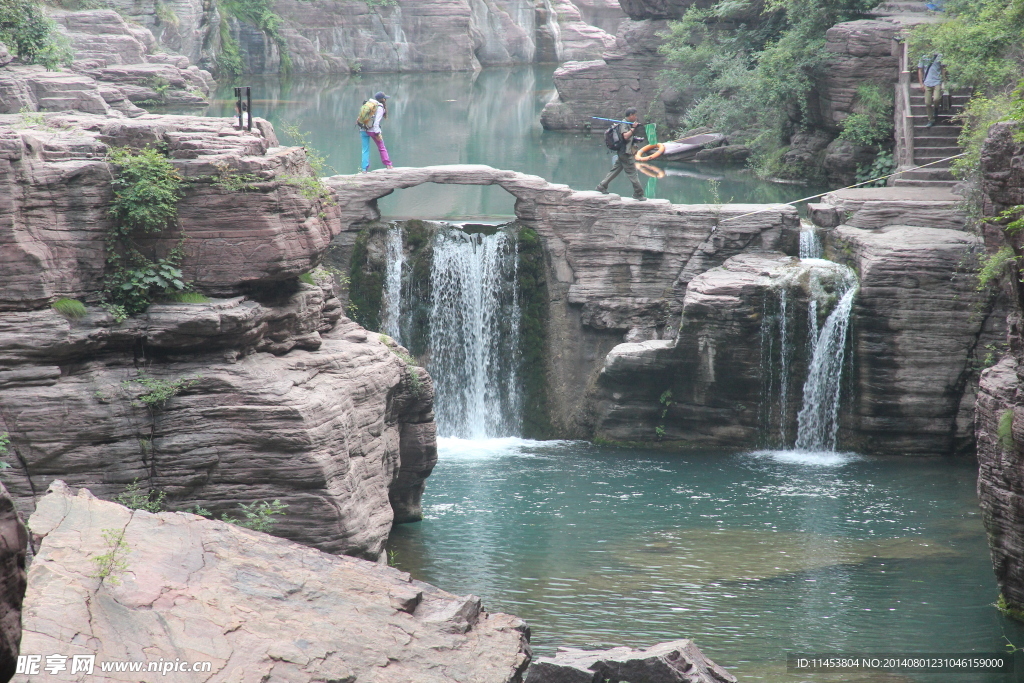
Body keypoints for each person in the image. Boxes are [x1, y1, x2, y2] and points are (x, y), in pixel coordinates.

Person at [596, 107, 646, 200]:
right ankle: (638, 193)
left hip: (623, 152)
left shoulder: (627, 123)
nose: (636, 117)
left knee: (615, 170)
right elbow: (625, 136)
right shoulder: (624, 124)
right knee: (632, 173)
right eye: (635, 115)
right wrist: (633, 128)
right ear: (631, 115)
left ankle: (602, 186)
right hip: (625, 153)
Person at [359, 91, 393, 172]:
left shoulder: (369, 104)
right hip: (373, 130)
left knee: (365, 150)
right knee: (381, 147)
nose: (386, 99)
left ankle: (364, 169)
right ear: (383, 100)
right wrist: (377, 133)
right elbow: (376, 123)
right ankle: (388, 165)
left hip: (363, 129)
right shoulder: (380, 107)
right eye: (385, 98)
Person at [916, 53, 946, 128]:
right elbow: (920, 70)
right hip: (927, 82)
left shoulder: (939, 56)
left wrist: (944, 82)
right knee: (927, 103)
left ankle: (936, 109)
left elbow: (943, 69)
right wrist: (921, 83)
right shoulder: (923, 56)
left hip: (937, 82)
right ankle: (931, 119)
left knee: (936, 99)